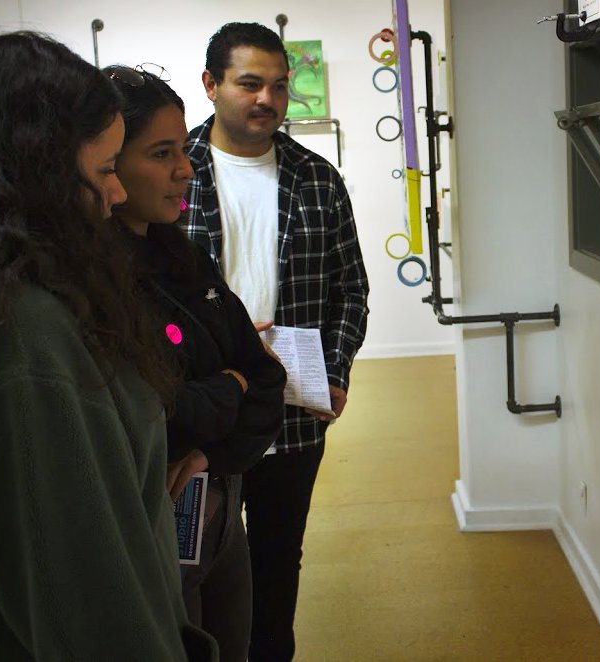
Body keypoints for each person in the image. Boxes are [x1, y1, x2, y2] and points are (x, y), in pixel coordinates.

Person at [0, 32, 217, 661]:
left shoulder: (36, 297)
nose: (116, 193)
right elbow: (88, 605)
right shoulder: (28, 342)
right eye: (106, 169)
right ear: (39, 174)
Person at [184, 22, 370, 660]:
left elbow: (351, 289)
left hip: (292, 406)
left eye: (279, 86)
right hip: (200, 408)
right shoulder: (175, 174)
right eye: (250, 83)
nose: (267, 99)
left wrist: (336, 371)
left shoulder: (317, 179)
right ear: (211, 84)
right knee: (192, 564)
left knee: (276, 559)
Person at [106, 64, 288, 662]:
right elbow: (159, 414)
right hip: (154, 526)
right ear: (106, 162)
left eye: (181, 150)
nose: (185, 169)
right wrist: (229, 386)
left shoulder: (184, 260)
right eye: (161, 154)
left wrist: (210, 449)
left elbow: (266, 377)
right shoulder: (92, 284)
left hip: (216, 511)